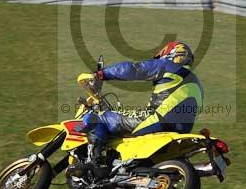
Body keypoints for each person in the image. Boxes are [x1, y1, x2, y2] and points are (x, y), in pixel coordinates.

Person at [77, 41, 203, 175]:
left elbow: (135, 69)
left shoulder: (167, 65)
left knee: (98, 118)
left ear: (170, 54)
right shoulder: (198, 85)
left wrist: (101, 74)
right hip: (181, 131)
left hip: (155, 120)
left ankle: (96, 162)